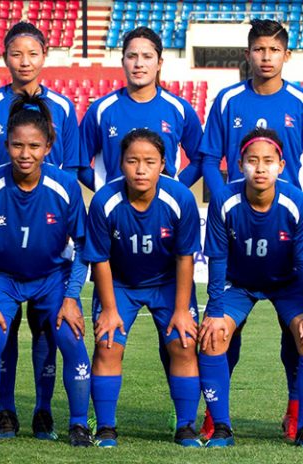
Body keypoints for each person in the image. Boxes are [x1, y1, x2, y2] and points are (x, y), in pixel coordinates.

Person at [198, 18, 303, 440]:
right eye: (259, 49)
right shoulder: (227, 100)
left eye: (274, 50)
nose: (266, 57)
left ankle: (296, 415)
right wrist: (225, 199)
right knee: (222, 332)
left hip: (285, 236)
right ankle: (215, 415)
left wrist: (297, 201)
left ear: (286, 55)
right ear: (248, 54)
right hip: (241, 233)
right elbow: (210, 159)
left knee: (299, 336)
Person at [0, 93, 92, 447]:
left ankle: (70, 421)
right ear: (6, 144)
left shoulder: (65, 186)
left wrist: (71, 297)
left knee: (69, 336)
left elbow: (83, 246)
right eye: (18, 145)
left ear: (48, 146)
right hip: (3, 278)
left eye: (34, 146)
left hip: (52, 278)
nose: (26, 154)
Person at [0, 21, 80, 440]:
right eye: (16, 53)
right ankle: (2, 412)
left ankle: (44, 411)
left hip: (48, 245)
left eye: (32, 53)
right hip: (3, 241)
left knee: (50, 333)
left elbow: (71, 170)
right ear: (5, 57)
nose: (24, 61)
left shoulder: (64, 109)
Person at [198, 128, 303, 448]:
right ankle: (219, 422)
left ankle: (301, 423)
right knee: (214, 336)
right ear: (240, 164)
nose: (260, 168)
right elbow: (217, 258)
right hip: (239, 283)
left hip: (287, 283)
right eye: (252, 161)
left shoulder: (297, 203)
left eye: (268, 161)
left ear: (281, 166)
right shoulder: (224, 200)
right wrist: (214, 310)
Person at [85, 129, 202, 448]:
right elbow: (100, 259)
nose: (140, 169)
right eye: (132, 161)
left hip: (167, 283)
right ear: (120, 162)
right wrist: (110, 310)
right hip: (120, 283)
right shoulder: (104, 201)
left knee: (184, 344)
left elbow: (185, 257)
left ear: (163, 164)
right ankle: (105, 426)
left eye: (149, 162)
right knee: (108, 344)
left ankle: (186, 426)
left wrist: (181, 311)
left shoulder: (180, 198)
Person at [78, 25, 202, 192]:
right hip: (116, 207)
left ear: (159, 63)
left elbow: (200, 159)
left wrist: (175, 190)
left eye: (147, 56)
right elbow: (79, 162)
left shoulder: (179, 109)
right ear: (123, 62)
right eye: (132, 56)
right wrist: (106, 193)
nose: (139, 64)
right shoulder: (101, 110)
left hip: (163, 207)